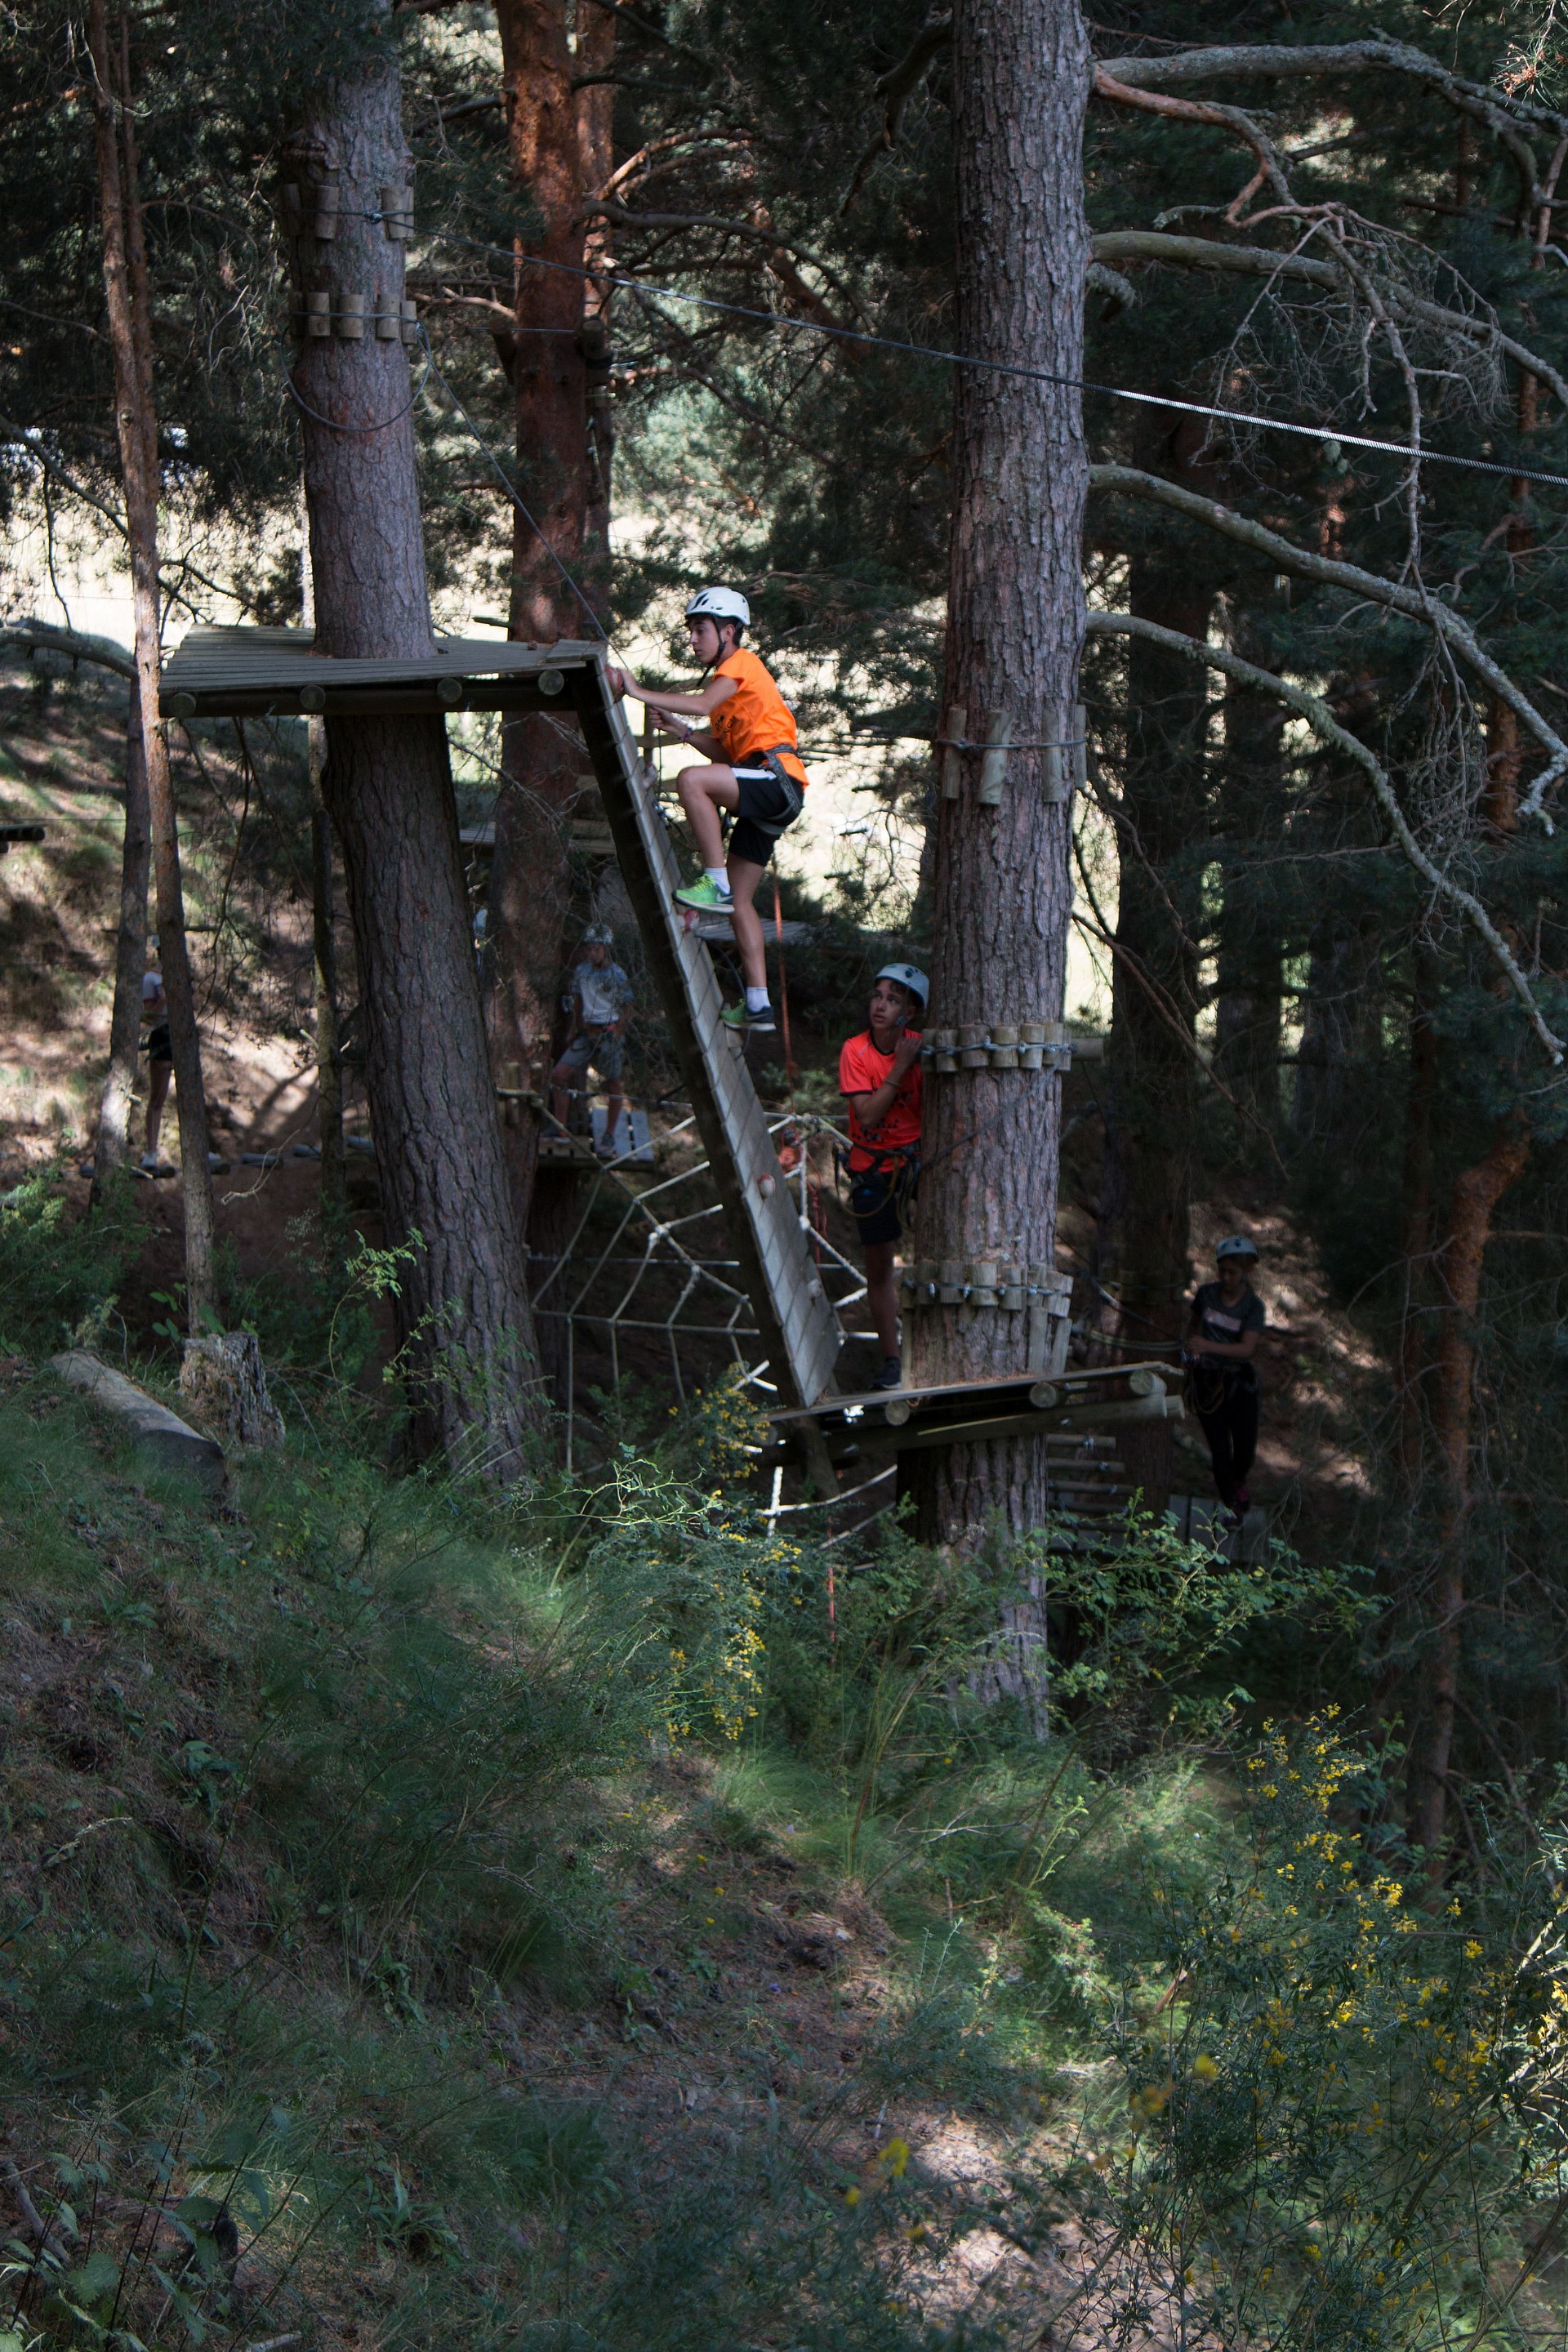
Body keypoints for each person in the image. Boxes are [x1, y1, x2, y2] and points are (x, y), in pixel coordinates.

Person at [608, 587, 807, 1034]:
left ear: (729, 632)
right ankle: (758, 1003)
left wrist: (636, 690)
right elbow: (727, 752)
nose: (693, 640)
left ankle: (713, 882)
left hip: (777, 779)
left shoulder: (741, 664)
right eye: (692, 631)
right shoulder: (726, 690)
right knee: (741, 903)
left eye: (701, 630)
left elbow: (701, 707)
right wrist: (682, 732)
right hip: (769, 790)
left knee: (692, 780)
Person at [840, 964, 927, 1392]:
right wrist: (900, 1067)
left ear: (909, 1011)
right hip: (872, 1166)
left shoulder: (923, 1050)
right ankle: (892, 1360)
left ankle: (931, 1345)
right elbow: (868, 1114)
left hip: (915, 1163)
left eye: (893, 999)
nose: (881, 1005)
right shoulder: (855, 1051)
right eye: (878, 996)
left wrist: (913, 1059)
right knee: (879, 1269)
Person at [1183, 1235, 1266, 1521]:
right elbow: (1193, 1328)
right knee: (1220, 1452)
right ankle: (1232, 1504)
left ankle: (1238, 1481)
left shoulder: (1253, 1307)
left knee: (1244, 1452)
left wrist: (1208, 1347)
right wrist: (1192, 1350)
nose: (1227, 1278)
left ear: (1247, 1272)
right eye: (1224, 1271)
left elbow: (1246, 1348)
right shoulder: (1206, 1295)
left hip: (1239, 1385)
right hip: (1207, 1382)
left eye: (1234, 1272)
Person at [550, 922, 635, 1158]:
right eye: (589, 949)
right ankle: (560, 1128)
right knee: (558, 1075)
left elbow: (629, 1007)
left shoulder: (617, 974)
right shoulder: (582, 971)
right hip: (586, 1033)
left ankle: (608, 1133)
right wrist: (573, 1028)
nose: (592, 953)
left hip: (608, 1033)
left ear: (606, 949)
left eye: (596, 949)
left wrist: (618, 1031)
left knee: (613, 1083)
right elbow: (577, 1000)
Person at [140, 959, 175, 1174]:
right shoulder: (151, 978)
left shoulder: (183, 973)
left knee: (192, 1097)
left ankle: (201, 1146)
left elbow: (195, 1002)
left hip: (184, 1034)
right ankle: (151, 1151)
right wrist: (162, 1000)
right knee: (158, 1098)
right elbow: (148, 1016)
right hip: (162, 1035)